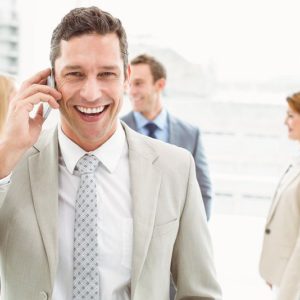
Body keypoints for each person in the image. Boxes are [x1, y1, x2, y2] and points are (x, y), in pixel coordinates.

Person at [0, 6, 222, 300]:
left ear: (127, 77)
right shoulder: (12, 165)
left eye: (106, 74)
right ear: (51, 80)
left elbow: (200, 292)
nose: (91, 93)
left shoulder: (175, 168)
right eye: (75, 74)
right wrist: (6, 154)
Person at [121, 54, 213, 220]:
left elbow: (203, 192)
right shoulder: (116, 130)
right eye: (128, 84)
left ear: (160, 84)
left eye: (139, 83)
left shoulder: (190, 135)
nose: (131, 91)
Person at [259, 91, 300, 300]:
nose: (286, 121)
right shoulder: (296, 162)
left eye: (291, 115)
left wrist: (287, 293)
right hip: (283, 279)